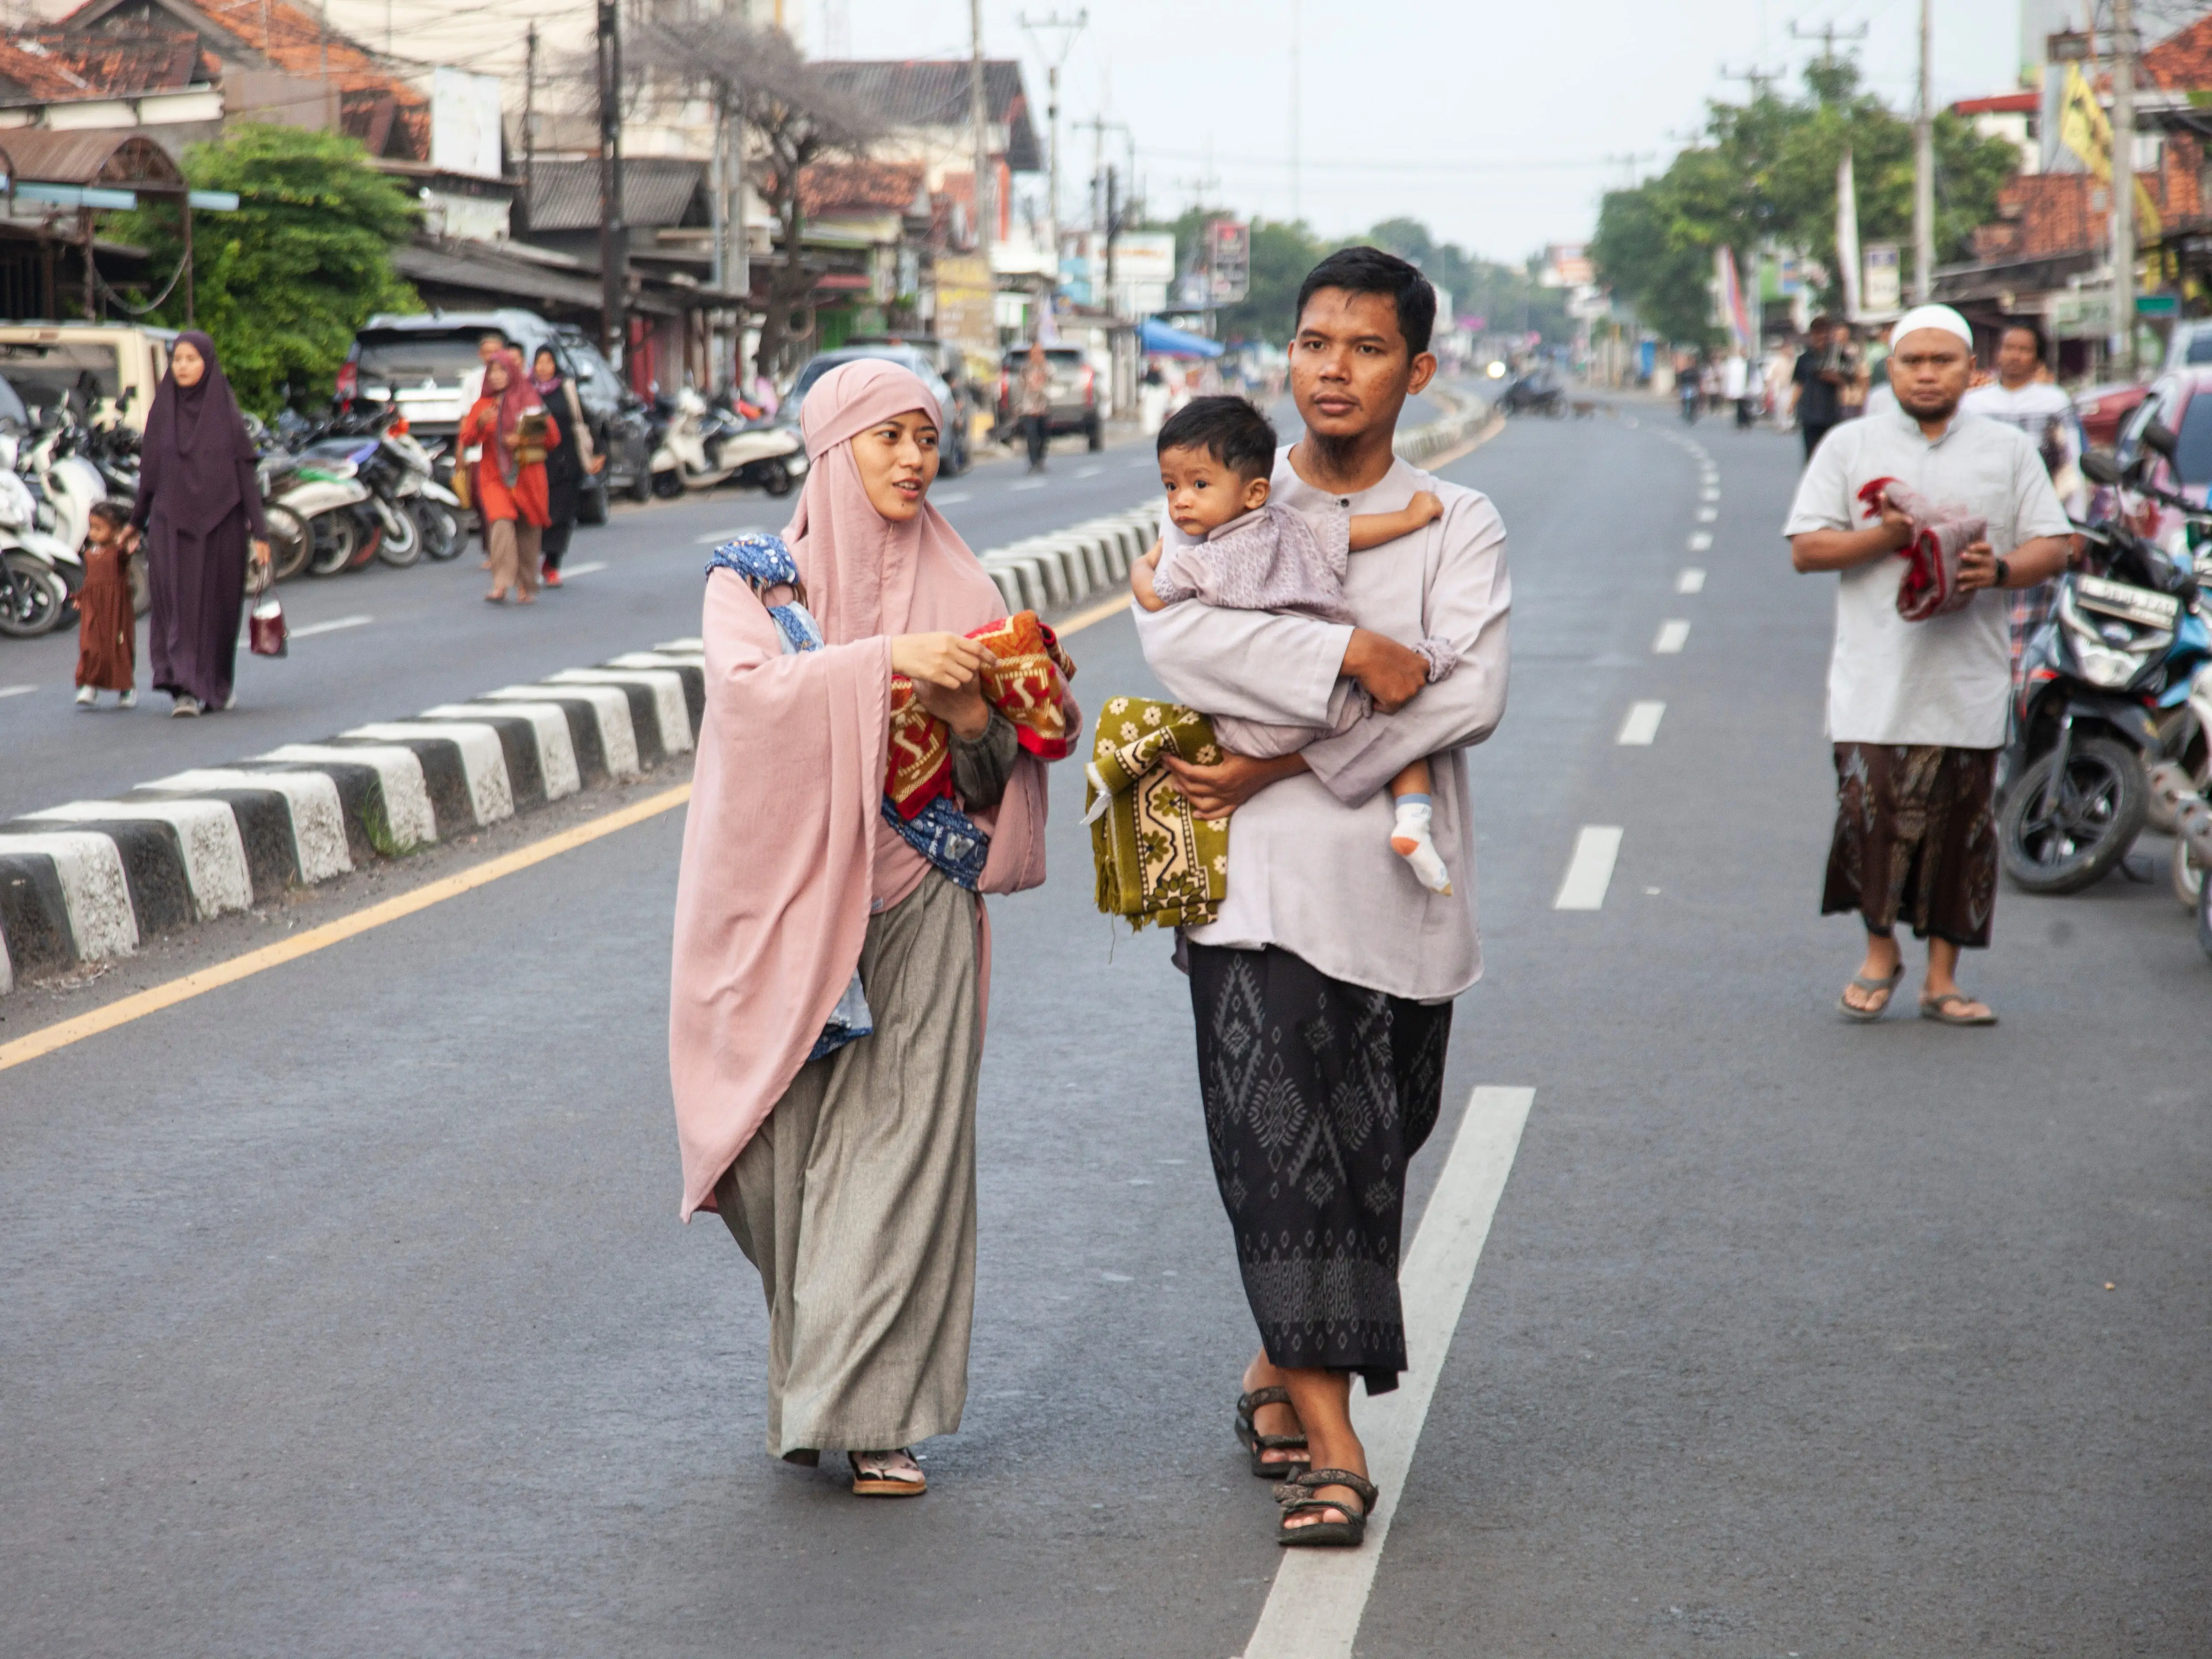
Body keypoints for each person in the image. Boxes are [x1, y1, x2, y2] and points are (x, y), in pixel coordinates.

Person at [1133, 246, 1510, 1549]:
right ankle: (1337, 1452)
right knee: (1282, 1163)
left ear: (1416, 368)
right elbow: (1180, 637)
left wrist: (1275, 755)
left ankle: (1270, 1376)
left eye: (1359, 347)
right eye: (1310, 343)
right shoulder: (1219, 495)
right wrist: (1353, 654)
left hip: (1399, 906)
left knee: (1371, 1155)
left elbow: (1469, 691)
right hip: (1250, 895)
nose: (1329, 368)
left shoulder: (1458, 521)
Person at [669, 359, 1071, 1500]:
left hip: (923, 898)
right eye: (887, 437)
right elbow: (749, 704)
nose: (910, 459)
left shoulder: (966, 583)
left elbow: (997, 767)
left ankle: (874, 1414)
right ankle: (824, 1377)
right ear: (833, 447)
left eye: (927, 439)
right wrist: (889, 663)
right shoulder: (752, 582)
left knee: (902, 1159)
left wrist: (975, 712)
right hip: (789, 905)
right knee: (772, 1160)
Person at [1784, 304, 2074, 1027]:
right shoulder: (1850, 444)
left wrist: (1997, 568)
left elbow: (2055, 543)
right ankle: (1879, 953)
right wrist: (1885, 533)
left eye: (1941, 360)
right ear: (1890, 368)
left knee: (1962, 825)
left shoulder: (2006, 451)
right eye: (1911, 360)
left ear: (1969, 371)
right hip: (1872, 679)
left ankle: (1943, 977)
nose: (1924, 373)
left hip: (1968, 676)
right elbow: (1806, 548)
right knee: (1870, 816)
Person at [1127, 395, 1456, 891]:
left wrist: (1140, 567)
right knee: (1400, 734)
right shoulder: (1292, 526)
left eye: (1198, 485)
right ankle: (1414, 820)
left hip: (1260, 723)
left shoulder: (1201, 561)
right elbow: (1349, 534)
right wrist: (1411, 518)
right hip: (1330, 694)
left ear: (1257, 491)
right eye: (1170, 486)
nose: (1180, 502)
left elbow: (1155, 602)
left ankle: (1411, 823)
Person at [126, 330, 269, 717]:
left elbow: (245, 471)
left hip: (222, 523)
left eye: (192, 359)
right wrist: (134, 523)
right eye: (178, 359)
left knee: (218, 609)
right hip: (170, 525)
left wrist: (261, 531)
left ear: (207, 363)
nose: (184, 366)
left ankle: (215, 684)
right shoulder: (162, 410)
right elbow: (150, 474)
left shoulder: (224, 410)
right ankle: (183, 689)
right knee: (176, 608)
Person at [1961, 322, 2083, 678]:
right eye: (2007, 348)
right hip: (1986, 523)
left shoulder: (2054, 403)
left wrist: (2074, 526)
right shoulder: (1974, 405)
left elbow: (2070, 465)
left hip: (2038, 525)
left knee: (2034, 618)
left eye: (2023, 349)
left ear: (2037, 358)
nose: (2013, 356)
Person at [460, 349, 555, 605]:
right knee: (500, 523)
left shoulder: (529, 399)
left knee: (528, 529)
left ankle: (526, 585)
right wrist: (481, 423)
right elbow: (467, 438)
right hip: (494, 476)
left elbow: (552, 437)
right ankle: (501, 584)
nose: (498, 376)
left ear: (512, 373)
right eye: (493, 372)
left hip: (528, 474)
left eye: (503, 371)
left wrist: (522, 438)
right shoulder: (483, 405)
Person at [529, 345, 600, 589]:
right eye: (540, 362)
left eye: (549, 362)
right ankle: (531, 559)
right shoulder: (527, 391)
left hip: (567, 462)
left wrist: (599, 451)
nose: (544, 367)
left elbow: (587, 418)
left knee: (563, 514)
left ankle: (552, 564)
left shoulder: (567, 389)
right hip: (536, 462)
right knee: (539, 513)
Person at [72, 499, 136, 710]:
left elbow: (126, 557)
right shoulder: (90, 554)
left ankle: (126, 689)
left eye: (99, 529)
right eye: (92, 528)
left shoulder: (118, 553)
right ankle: (90, 686)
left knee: (118, 647)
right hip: (94, 608)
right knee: (91, 646)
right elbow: (90, 581)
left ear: (116, 530)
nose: (93, 533)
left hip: (115, 609)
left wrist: (128, 545)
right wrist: (81, 598)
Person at [1792, 316, 1848, 463]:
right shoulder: (1804, 359)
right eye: (1817, 334)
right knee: (1811, 455)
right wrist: (1791, 405)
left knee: (1832, 455)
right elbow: (1799, 384)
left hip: (1831, 413)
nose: (1821, 338)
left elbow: (1849, 380)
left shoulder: (1838, 356)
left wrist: (1832, 378)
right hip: (1809, 413)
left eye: (1824, 333)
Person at [1015, 342, 1052, 472]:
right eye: (1034, 353)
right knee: (1031, 435)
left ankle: (1041, 460)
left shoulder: (1047, 367)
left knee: (1044, 436)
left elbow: (1053, 384)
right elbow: (1020, 387)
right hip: (1029, 408)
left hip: (1043, 407)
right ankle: (1033, 462)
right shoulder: (1025, 368)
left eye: (1039, 353)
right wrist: (1018, 405)